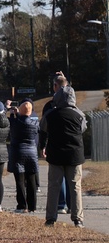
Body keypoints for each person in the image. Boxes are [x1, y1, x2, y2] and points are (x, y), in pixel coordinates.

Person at [39, 86, 87, 227]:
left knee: (54, 186)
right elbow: (82, 129)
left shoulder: (50, 115)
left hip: (56, 154)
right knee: (75, 187)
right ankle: (78, 218)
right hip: (75, 155)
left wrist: (43, 146)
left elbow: (43, 129)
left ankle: (50, 218)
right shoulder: (79, 115)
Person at [42, 72, 70, 213]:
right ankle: (72, 205)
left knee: (58, 178)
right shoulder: (72, 106)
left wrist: (43, 145)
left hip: (56, 144)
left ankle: (61, 204)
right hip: (72, 144)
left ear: (54, 87)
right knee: (71, 178)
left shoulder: (50, 106)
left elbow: (44, 128)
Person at [8, 100, 40, 213]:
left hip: (18, 152)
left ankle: (22, 205)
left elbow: (11, 121)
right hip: (31, 153)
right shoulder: (35, 124)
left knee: (20, 181)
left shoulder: (15, 122)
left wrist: (13, 113)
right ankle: (32, 206)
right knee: (31, 180)